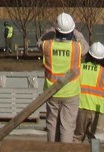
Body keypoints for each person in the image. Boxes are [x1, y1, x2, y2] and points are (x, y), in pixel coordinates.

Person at [38, 12, 89, 143]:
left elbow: (40, 41)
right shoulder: (76, 48)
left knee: (51, 124)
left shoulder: (47, 46)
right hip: (71, 93)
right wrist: (76, 32)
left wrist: (52, 29)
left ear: (57, 31)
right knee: (67, 127)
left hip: (51, 92)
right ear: (71, 31)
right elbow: (85, 45)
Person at [74, 42, 104, 143]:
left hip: (81, 107)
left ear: (89, 55)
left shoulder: (80, 68)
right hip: (97, 111)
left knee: (77, 137)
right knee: (96, 141)